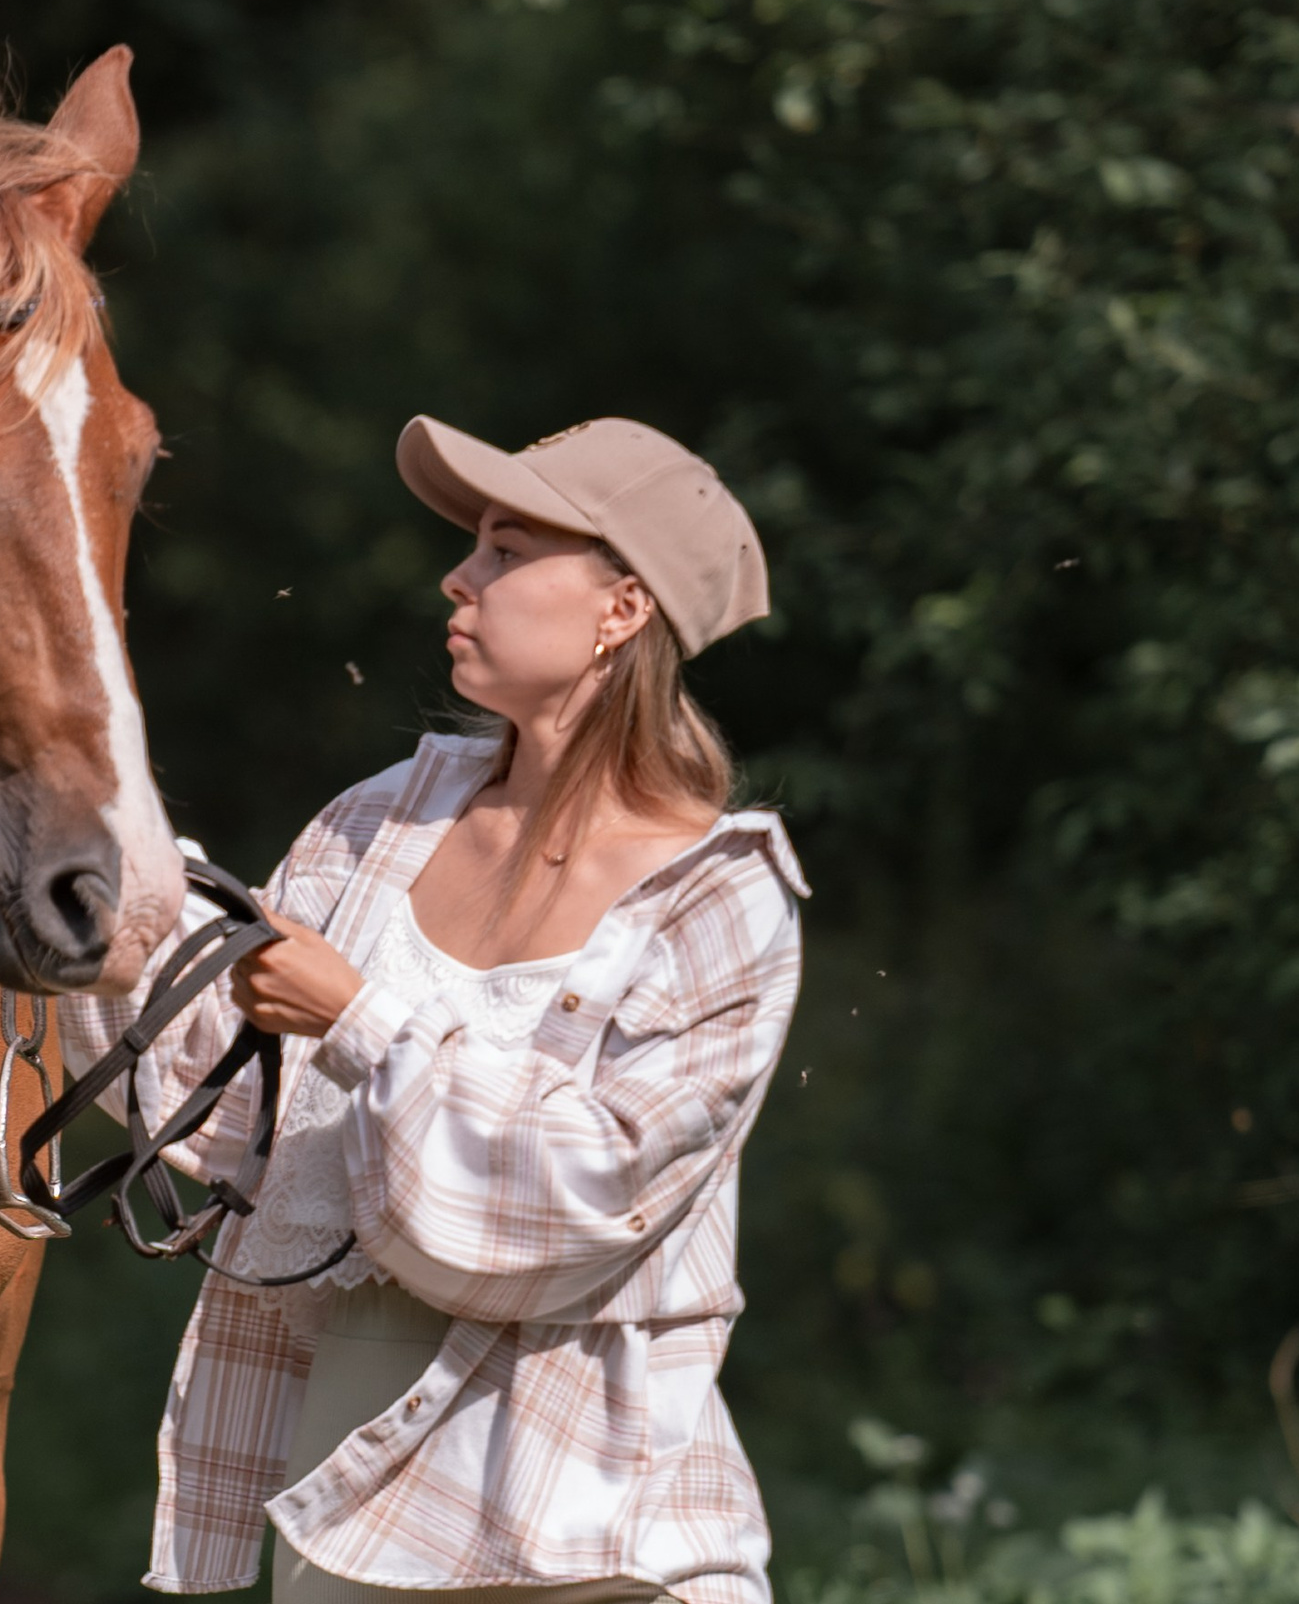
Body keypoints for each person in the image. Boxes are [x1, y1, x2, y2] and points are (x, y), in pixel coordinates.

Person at [58, 413, 807, 1604]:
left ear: (622, 608)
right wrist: (98, 882)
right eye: (475, 547)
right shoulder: (378, 821)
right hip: (350, 1498)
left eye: (509, 550)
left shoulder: (720, 902)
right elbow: (233, 1102)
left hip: (605, 1530)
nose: (459, 575)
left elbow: (589, 1192)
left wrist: (360, 1020)